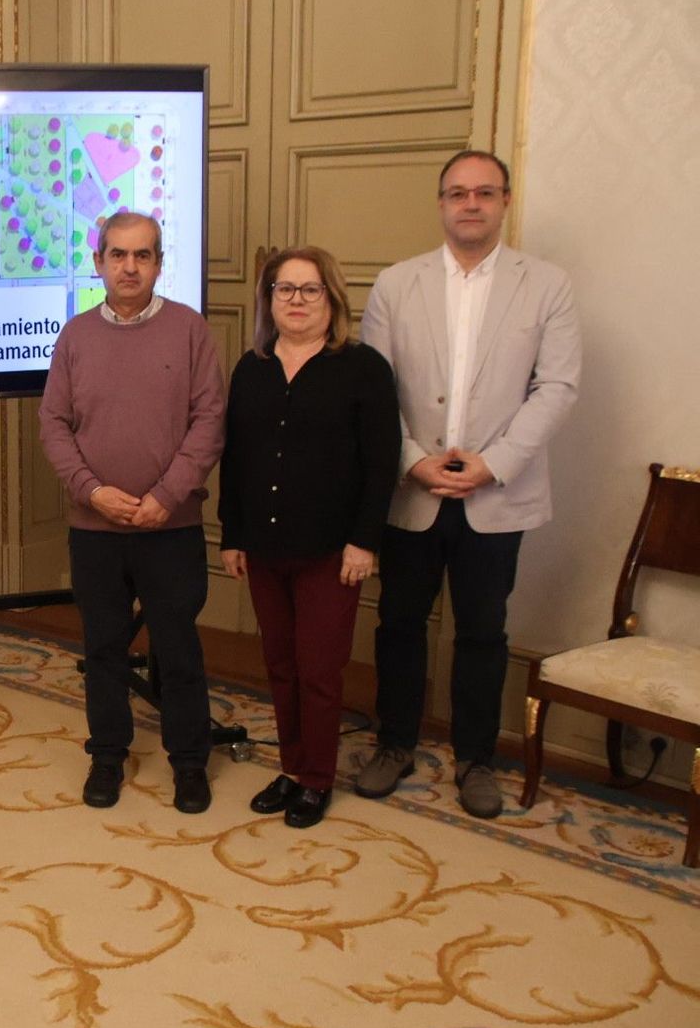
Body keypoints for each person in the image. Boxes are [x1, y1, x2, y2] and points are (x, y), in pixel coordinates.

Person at [355, 149, 581, 818]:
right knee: (398, 622)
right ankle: (394, 742)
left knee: (484, 630)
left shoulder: (547, 285)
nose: (471, 203)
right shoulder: (397, 284)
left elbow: (559, 386)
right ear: (442, 203)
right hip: (413, 487)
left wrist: (497, 460)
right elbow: (375, 389)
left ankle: (477, 758)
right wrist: (411, 459)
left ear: (505, 200)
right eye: (458, 193)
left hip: (497, 491)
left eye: (484, 192)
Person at [38, 211, 226, 814]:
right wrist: (93, 491)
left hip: (169, 526)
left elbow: (209, 424)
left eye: (143, 255)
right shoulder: (75, 337)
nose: (129, 267)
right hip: (95, 528)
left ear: (159, 263)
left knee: (177, 648)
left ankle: (190, 761)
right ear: (98, 262)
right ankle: (108, 754)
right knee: (103, 648)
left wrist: (164, 497)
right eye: (117, 255)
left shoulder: (190, 331)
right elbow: (53, 425)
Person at [218, 246, 400, 828]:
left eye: (309, 289)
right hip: (265, 549)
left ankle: (317, 778)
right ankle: (293, 767)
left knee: (319, 670)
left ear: (332, 299)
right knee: (280, 665)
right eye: (284, 289)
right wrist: (232, 535)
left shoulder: (363, 367)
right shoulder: (252, 367)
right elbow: (238, 457)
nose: (295, 301)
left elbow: (381, 463)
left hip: (331, 551)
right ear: (268, 300)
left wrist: (363, 541)